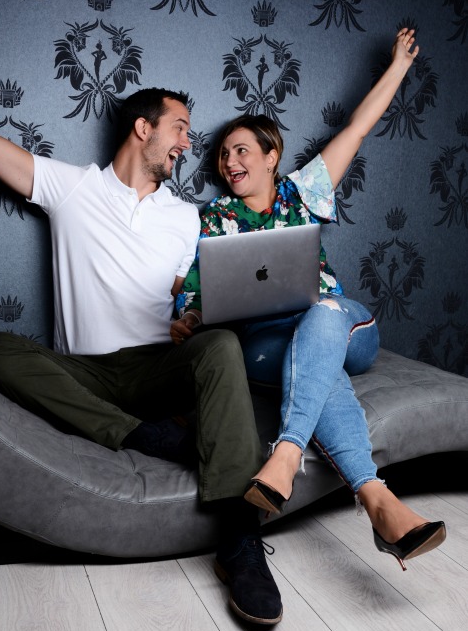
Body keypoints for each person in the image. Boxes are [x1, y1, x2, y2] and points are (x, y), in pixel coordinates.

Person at [0, 0, 283, 626]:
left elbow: (198, 296)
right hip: (87, 375)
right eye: (180, 128)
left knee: (222, 344)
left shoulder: (188, 217)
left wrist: (197, 316)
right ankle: (142, 437)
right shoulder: (72, 188)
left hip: (158, 367)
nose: (189, 143)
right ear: (143, 127)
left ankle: (240, 541)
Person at [172, 29, 446, 572]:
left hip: (342, 327)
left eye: (241, 150)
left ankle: (286, 451)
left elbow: (357, 128)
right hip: (268, 347)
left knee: (321, 315)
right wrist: (189, 319)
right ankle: (379, 502)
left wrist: (398, 66)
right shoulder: (214, 219)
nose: (229, 161)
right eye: (223, 155)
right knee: (317, 370)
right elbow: (198, 295)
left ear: (271, 156)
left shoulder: (302, 191)